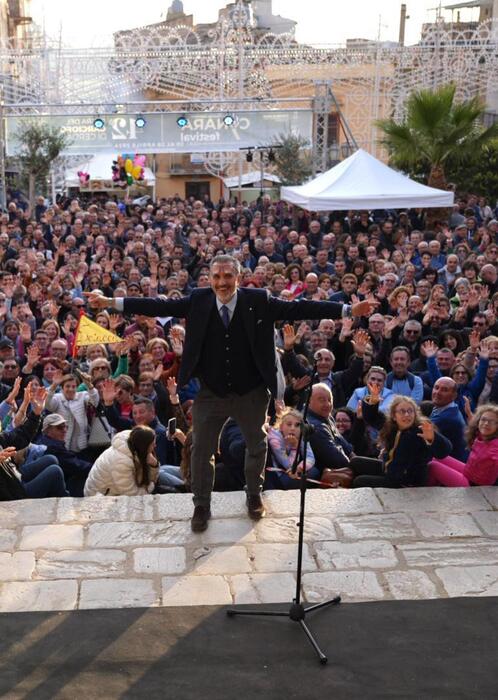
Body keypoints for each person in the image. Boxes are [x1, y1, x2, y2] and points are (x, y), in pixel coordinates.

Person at [87, 255, 376, 532]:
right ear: (209, 278)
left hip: (250, 391)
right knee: (200, 448)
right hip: (211, 392)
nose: (222, 282)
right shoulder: (199, 300)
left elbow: (301, 308)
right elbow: (156, 305)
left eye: (228, 276)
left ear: (238, 277)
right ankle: (201, 504)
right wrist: (111, 302)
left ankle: (253, 494)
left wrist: (348, 311)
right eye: (216, 277)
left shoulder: (258, 300)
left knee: (257, 445)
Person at [353, 382, 452, 488]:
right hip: (388, 470)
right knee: (355, 462)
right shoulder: (391, 425)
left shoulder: (420, 430)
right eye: (402, 411)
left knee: (359, 481)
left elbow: (445, 451)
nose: (407, 415)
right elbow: (371, 417)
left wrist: (432, 438)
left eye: (410, 411)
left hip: (405, 481)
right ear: (394, 416)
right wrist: (373, 401)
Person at [428, 404, 498, 487]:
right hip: (469, 473)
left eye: (492, 422)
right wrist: (469, 413)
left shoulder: (495, 446)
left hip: (474, 486)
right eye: (483, 419)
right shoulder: (481, 436)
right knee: (438, 457)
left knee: (432, 466)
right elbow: (475, 422)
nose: (486, 423)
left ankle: (426, 494)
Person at [84, 425, 159, 497]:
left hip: (118, 490)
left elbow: (150, 478)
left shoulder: (134, 444)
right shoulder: (121, 462)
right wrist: (151, 486)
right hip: (100, 497)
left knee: (166, 470)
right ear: (144, 446)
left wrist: (154, 465)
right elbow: (132, 494)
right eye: (152, 444)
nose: (155, 446)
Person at [267, 408, 317, 489]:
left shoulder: (301, 435)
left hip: (294, 470)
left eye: (297, 425)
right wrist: (294, 447)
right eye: (289, 424)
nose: (293, 428)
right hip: (278, 475)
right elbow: (288, 465)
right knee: (299, 479)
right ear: (281, 427)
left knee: (314, 471)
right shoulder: (275, 439)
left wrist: (300, 468)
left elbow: (310, 457)